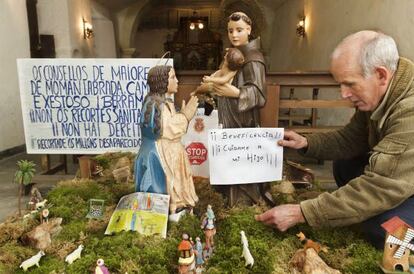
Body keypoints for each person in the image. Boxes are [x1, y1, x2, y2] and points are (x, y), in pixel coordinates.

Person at [256, 30, 414, 248]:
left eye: (350, 84)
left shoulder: (410, 113)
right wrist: (307, 143)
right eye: (340, 84)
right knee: (344, 165)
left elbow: (380, 187)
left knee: (383, 226)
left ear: (381, 75)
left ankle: (402, 240)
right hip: (399, 179)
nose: (343, 94)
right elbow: (351, 140)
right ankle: (360, 210)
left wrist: (302, 212)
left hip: (396, 184)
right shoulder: (380, 96)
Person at [196, 11, 267, 205]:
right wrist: (211, 91)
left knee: (241, 161)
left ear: (249, 30)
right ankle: (228, 198)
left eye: (239, 30)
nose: (234, 35)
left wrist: (234, 93)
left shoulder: (253, 58)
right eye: (230, 31)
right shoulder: (233, 55)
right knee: (229, 160)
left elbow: (259, 95)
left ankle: (244, 202)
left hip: (244, 120)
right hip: (229, 118)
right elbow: (221, 80)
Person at [134, 65, 199, 214]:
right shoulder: (155, 104)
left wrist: (181, 115)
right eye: (172, 77)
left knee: (177, 182)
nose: (177, 80)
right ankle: (170, 207)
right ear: (163, 81)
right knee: (167, 183)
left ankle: (178, 204)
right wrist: (186, 116)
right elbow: (167, 130)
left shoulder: (165, 103)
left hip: (171, 151)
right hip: (162, 153)